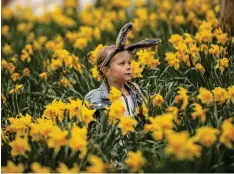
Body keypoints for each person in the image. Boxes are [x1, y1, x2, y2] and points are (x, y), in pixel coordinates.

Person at [84, 22, 161, 116]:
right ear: (106, 71)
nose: (128, 67)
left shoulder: (136, 91)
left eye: (129, 63)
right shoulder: (94, 97)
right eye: (122, 63)